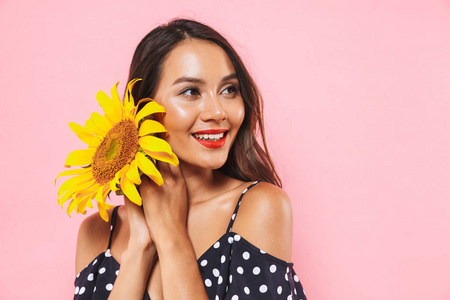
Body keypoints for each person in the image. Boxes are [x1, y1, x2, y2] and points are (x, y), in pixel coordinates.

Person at [73, 18, 307, 300]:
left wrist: (172, 237)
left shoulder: (260, 208)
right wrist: (140, 246)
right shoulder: (97, 232)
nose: (217, 111)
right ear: (142, 108)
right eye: (191, 91)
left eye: (229, 89)